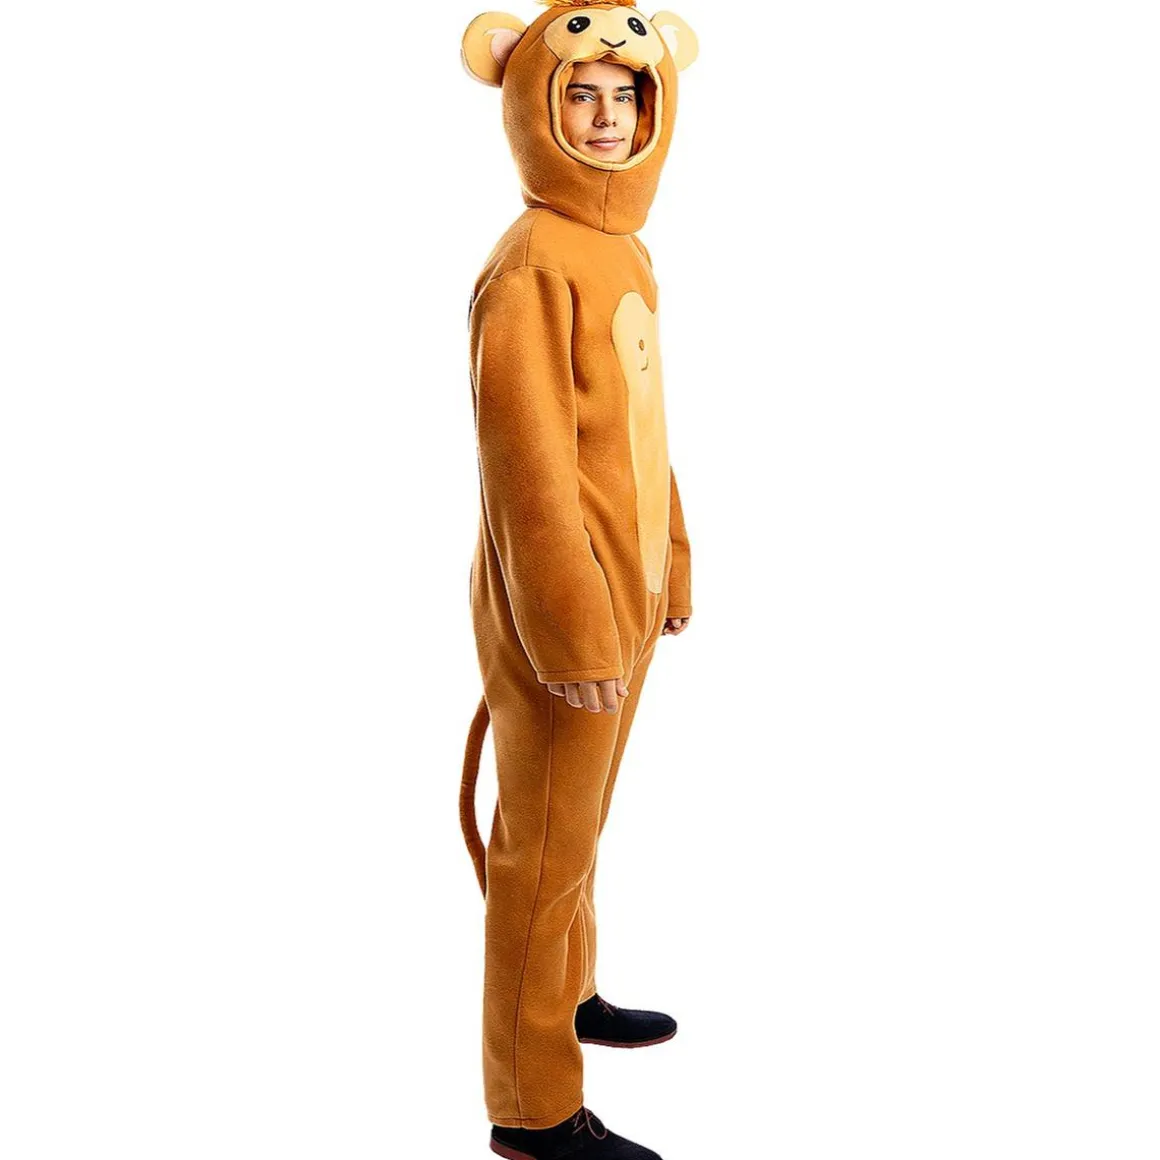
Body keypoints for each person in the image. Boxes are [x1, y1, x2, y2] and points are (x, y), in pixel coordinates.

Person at [459, 4, 699, 1157]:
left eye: (625, 97)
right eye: (579, 96)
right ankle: (533, 1103)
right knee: (541, 849)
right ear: (534, 106)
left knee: (576, 821)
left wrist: (671, 559)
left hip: (623, 592)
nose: (606, 120)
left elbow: (638, 430)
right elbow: (529, 471)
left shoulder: (624, 251)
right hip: (568, 608)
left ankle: (569, 990)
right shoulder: (528, 265)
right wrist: (570, 630)